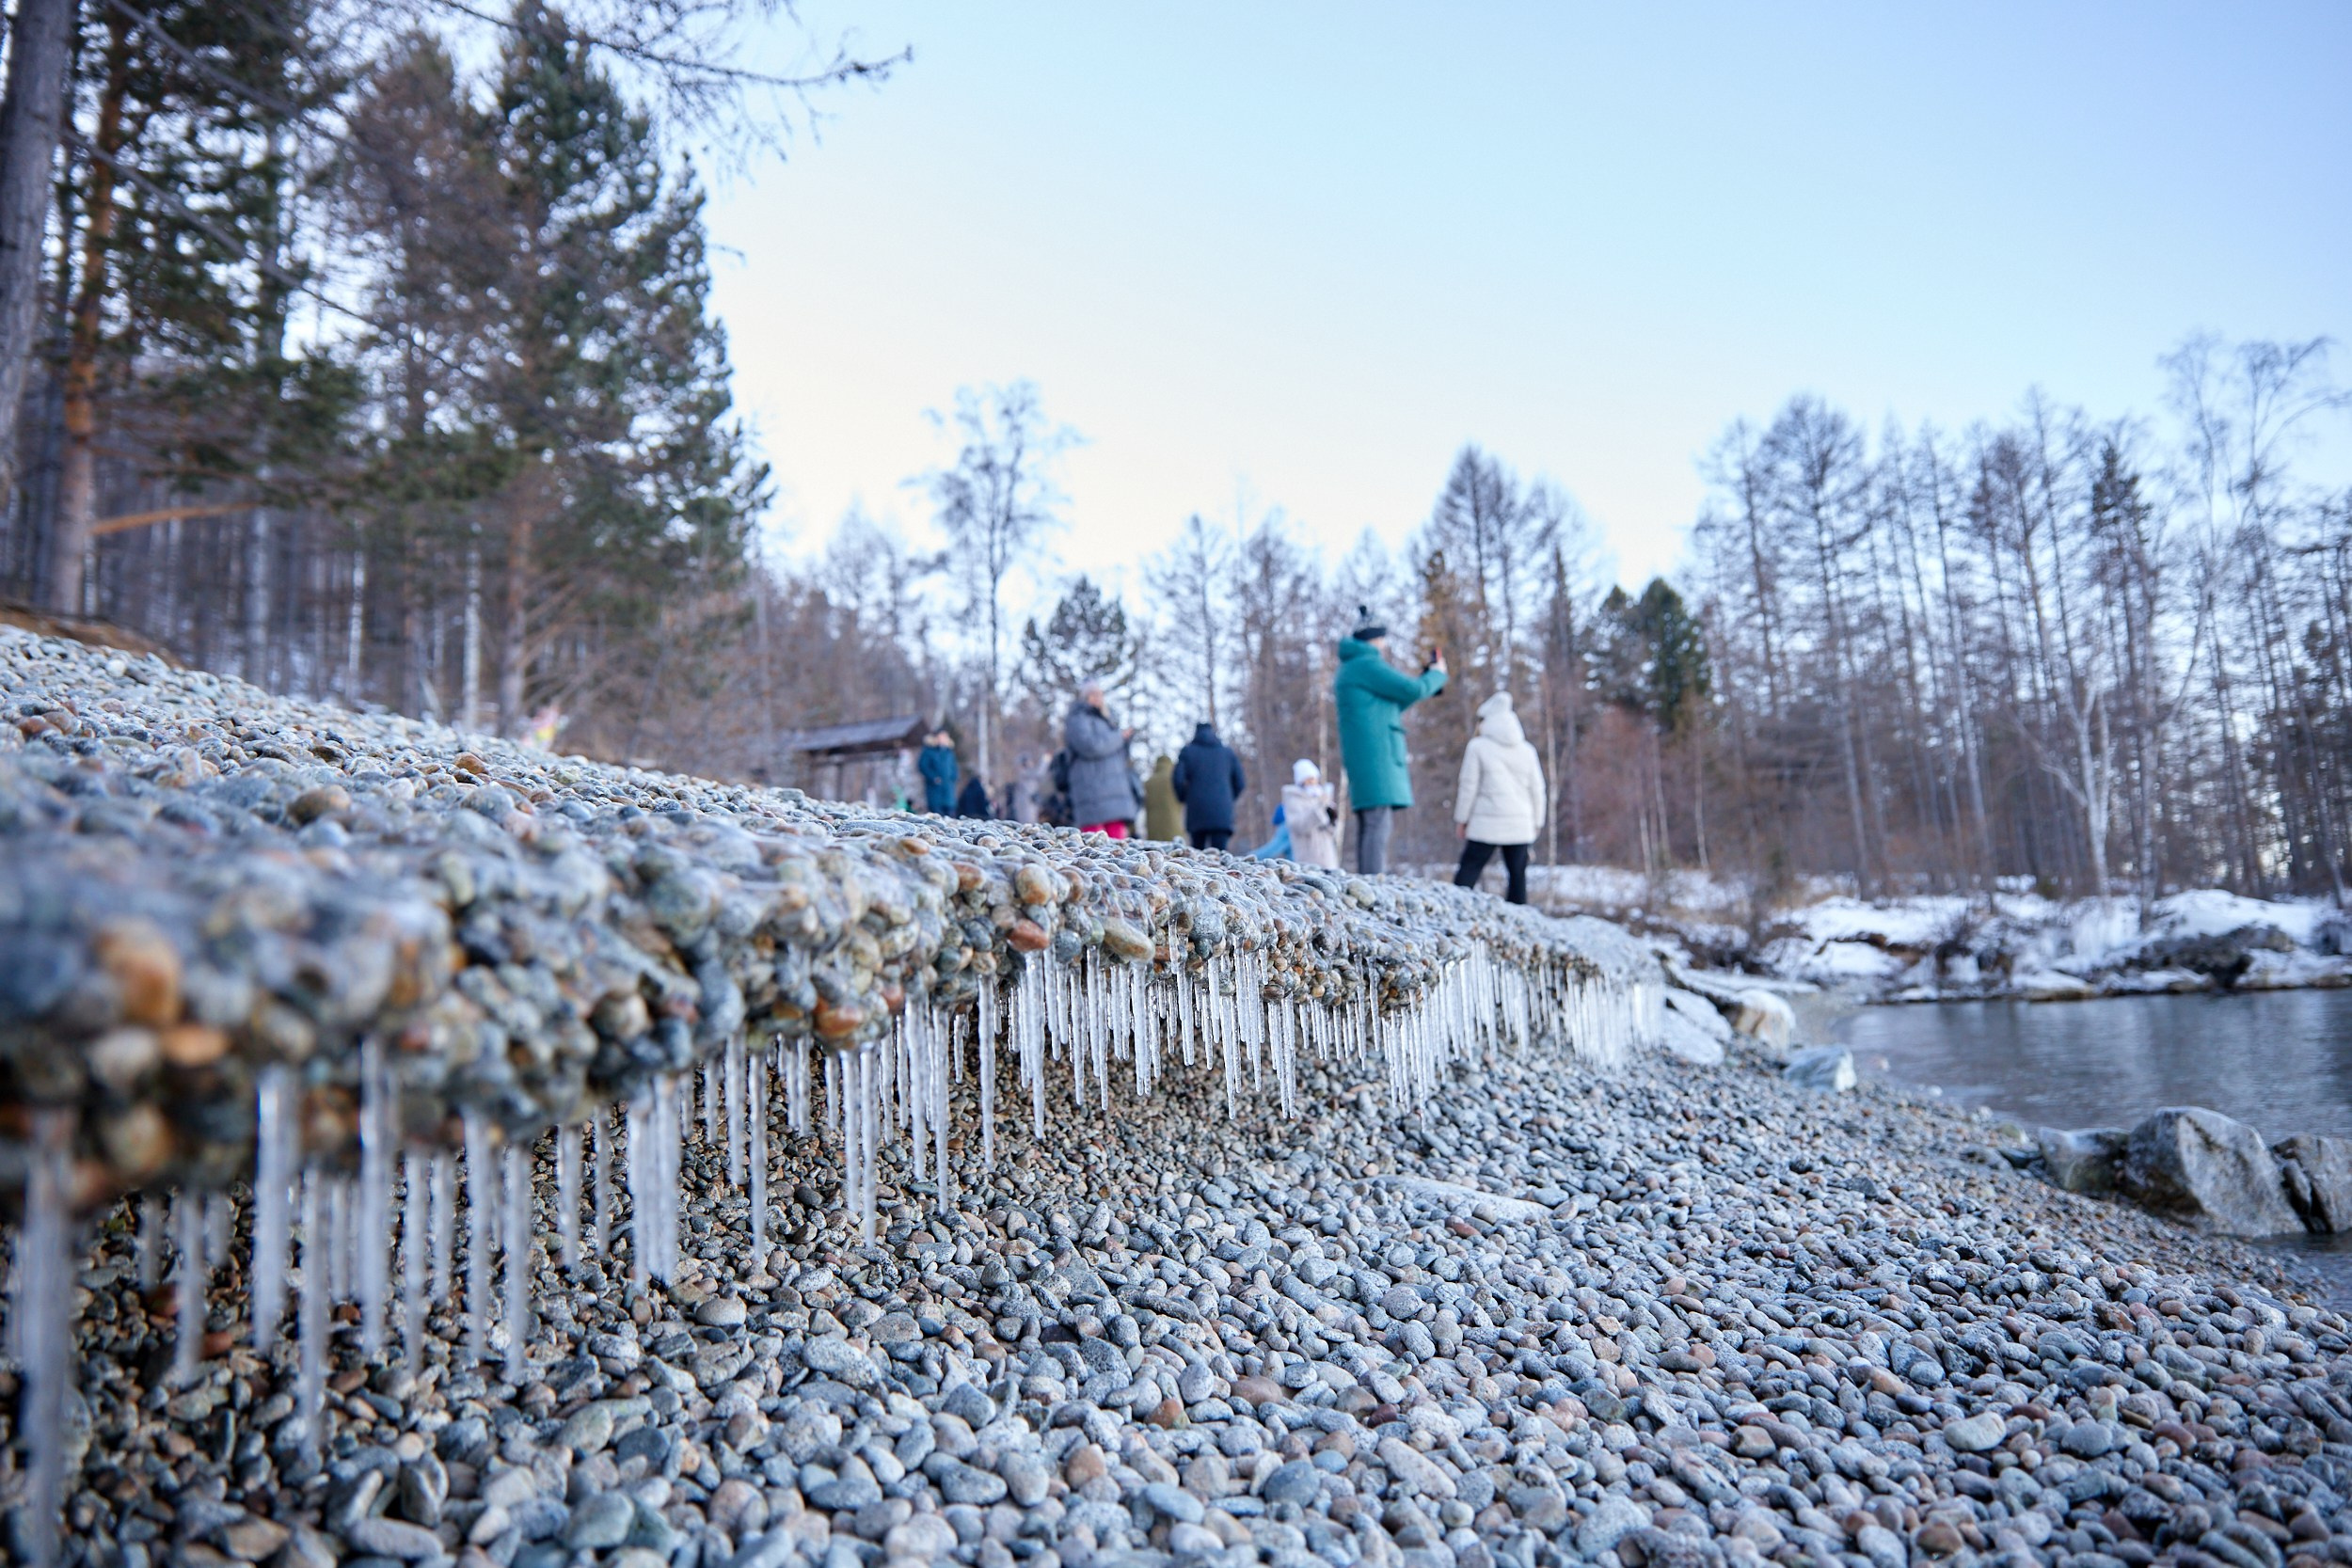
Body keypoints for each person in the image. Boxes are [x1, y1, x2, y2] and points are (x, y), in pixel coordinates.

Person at [1332, 606, 1447, 874]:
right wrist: (1437, 674)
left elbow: (1393, 702)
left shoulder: (1353, 667)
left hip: (1369, 755)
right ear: (1375, 637)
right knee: (1377, 823)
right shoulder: (1365, 665)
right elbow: (1412, 689)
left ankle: (1368, 881)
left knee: (1372, 821)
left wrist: (1427, 682)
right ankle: (1372, 884)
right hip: (1376, 756)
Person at [1453, 690, 1546, 904]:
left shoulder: (1477, 747)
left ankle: (1452, 913)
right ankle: (1519, 925)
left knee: (1468, 873)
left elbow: (1468, 787)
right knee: (1517, 879)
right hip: (1521, 824)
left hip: (1485, 824)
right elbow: (1538, 789)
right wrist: (1537, 822)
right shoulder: (1527, 750)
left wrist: (1462, 820)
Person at [1062, 683, 1138, 836]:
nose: (1097, 698)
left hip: (1114, 788)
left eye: (1099, 694)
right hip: (1091, 787)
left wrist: (1126, 741)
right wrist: (1119, 736)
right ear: (1085, 697)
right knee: (1094, 842)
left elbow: (1120, 755)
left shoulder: (1108, 720)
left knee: (1118, 847)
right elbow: (1090, 746)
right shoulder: (1078, 719)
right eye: (1092, 694)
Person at [1170, 721, 1245, 852]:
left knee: (1197, 857)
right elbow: (1240, 782)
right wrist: (1228, 798)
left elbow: (1177, 779)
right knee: (1221, 856)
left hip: (1197, 808)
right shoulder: (1227, 753)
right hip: (1222, 809)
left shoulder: (1188, 752)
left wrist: (1183, 797)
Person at [1282, 759, 1342, 868]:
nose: (1312, 782)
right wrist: (1319, 809)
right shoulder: (1293, 800)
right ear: (1301, 780)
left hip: (1327, 854)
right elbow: (1299, 826)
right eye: (1309, 779)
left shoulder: (1320, 796)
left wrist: (1332, 819)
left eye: (1314, 778)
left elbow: (1332, 831)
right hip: (1307, 855)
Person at [916, 729, 958, 816]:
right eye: (941, 736)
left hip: (948, 788)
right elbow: (923, 766)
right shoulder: (928, 751)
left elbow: (954, 767)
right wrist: (933, 778)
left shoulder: (949, 752)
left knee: (950, 812)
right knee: (936, 813)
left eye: (945, 737)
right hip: (935, 788)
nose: (943, 739)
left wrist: (954, 777)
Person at [1144, 754, 1181, 841]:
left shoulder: (1149, 782)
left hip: (1153, 825)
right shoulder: (1174, 779)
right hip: (1173, 823)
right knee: (1176, 851)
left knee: (1155, 852)